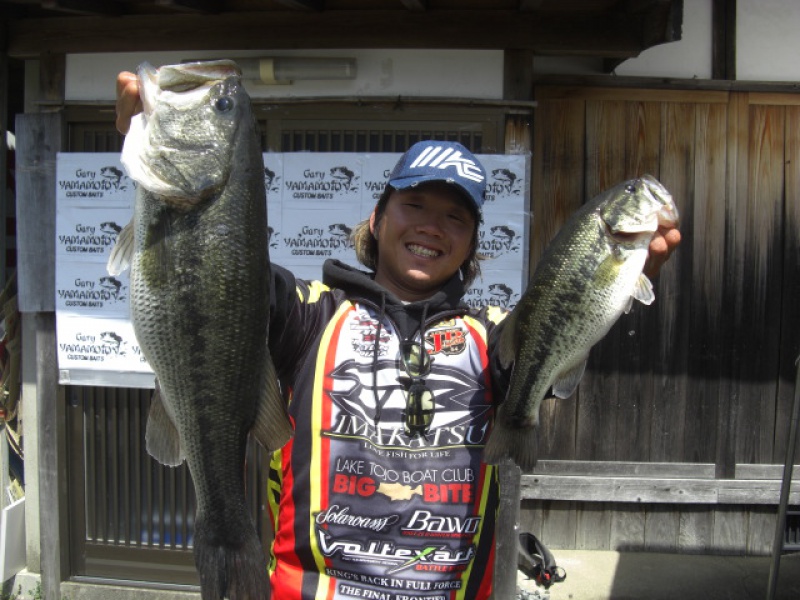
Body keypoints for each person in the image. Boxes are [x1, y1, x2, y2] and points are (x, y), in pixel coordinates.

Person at [116, 72, 681, 600]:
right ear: (379, 218)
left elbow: (551, 347)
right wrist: (164, 155)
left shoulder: (492, 334)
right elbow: (220, 271)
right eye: (414, 204)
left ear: (472, 242)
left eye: (456, 217)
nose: (433, 226)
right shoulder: (307, 313)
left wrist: (618, 279)